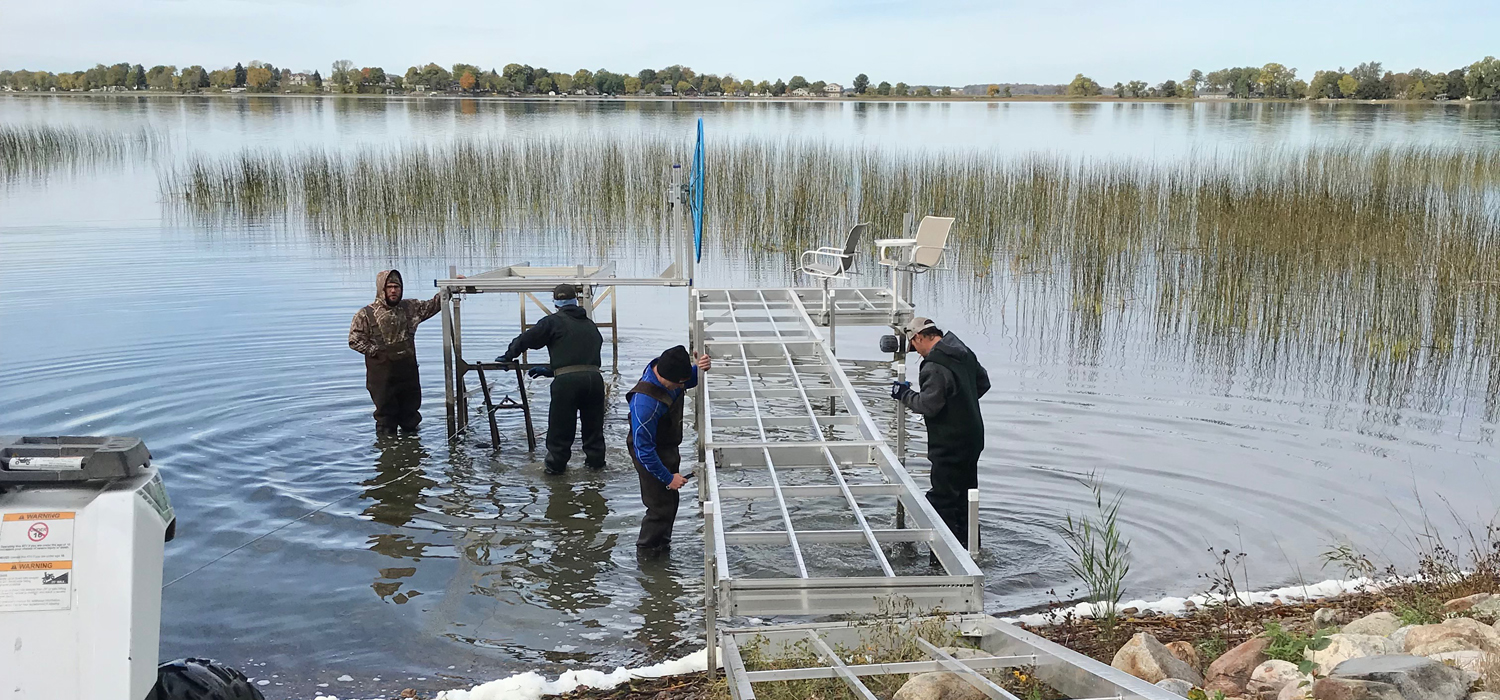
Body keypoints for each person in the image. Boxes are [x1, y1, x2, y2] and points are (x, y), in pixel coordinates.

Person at [890, 317, 990, 553]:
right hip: (973, 437)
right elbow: (983, 383)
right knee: (966, 497)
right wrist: (961, 402)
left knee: (942, 500)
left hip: (949, 442)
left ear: (919, 337)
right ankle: (971, 550)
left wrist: (904, 394)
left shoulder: (934, 365)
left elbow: (928, 405)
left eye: (914, 346)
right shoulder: (962, 351)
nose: (916, 352)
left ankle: (942, 559)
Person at [495, 284, 606, 474]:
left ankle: (555, 474)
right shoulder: (590, 325)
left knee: (560, 431)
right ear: (576, 301)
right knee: (593, 432)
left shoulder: (553, 321)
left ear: (555, 303)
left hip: (567, 385)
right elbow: (581, 357)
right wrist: (552, 370)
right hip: (595, 381)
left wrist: (508, 356)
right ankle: (596, 471)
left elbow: (526, 339)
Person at [627, 345, 711, 551]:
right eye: (680, 384)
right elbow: (643, 449)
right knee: (659, 508)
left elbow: (688, 379)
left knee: (670, 502)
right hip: (648, 452)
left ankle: (662, 547)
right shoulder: (645, 404)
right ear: (668, 378)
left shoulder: (667, 374)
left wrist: (700, 368)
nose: (682, 386)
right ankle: (647, 555)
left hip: (668, 445)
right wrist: (667, 477)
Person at [348, 269, 448, 436]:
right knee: (386, 421)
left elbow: (435, 304)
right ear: (381, 289)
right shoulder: (366, 314)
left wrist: (450, 287)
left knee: (411, 419)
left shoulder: (411, 308)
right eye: (389, 287)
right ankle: (388, 446)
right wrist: (374, 350)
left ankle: (412, 446)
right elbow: (354, 340)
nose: (394, 290)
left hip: (408, 373)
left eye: (397, 287)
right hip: (382, 378)